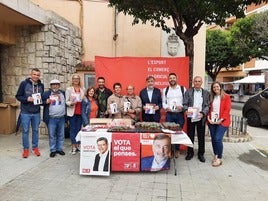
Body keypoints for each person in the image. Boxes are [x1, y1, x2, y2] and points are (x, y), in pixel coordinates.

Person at [15, 68, 44, 158]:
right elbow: (18, 96)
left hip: (36, 112)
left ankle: (35, 148)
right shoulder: (24, 84)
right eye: (34, 74)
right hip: (25, 112)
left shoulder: (41, 85)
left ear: (39, 76)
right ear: (31, 75)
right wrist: (27, 99)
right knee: (25, 131)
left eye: (38, 75)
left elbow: (41, 97)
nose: (36, 76)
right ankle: (26, 149)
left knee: (35, 131)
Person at [183, 76, 210, 162]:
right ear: (193, 82)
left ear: (201, 83)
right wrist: (186, 110)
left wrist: (203, 113)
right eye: (196, 81)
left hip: (201, 118)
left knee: (201, 136)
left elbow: (207, 106)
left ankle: (201, 154)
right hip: (191, 117)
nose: (197, 83)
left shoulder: (206, 93)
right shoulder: (188, 92)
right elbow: (184, 104)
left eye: (199, 81)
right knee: (190, 136)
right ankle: (190, 153)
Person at [207, 81, 231, 167]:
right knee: (213, 139)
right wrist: (208, 118)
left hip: (222, 121)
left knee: (217, 138)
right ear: (212, 89)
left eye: (217, 87)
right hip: (212, 121)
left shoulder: (226, 97)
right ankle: (216, 155)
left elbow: (227, 110)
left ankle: (219, 158)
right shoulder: (211, 97)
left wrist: (220, 120)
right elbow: (210, 109)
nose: (216, 88)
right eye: (214, 87)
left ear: (220, 87)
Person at [162, 73, 186, 157]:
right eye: (170, 78)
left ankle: (177, 150)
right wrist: (166, 107)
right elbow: (163, 102)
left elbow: (185, 102)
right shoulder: (166, 90)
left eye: (174, 78)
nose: (172, 79)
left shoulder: (182, 89)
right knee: (169, 132)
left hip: (179, 114)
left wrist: (182, 106)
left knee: (178, 132)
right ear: (168, 79)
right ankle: (170, 150)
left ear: (177, 78)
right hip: (170, 114)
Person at [42, 79, 66, 158]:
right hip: (51, 118)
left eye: (57, 84)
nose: (55, 86)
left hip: (61, 117)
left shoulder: (63, 93)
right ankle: (53, 150)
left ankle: (59, 149)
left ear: (59, 85)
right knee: (52, 135)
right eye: (53, 84)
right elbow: (40, 102)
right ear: (50, 86)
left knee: (61, 134)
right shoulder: (46, 94)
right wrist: (46, 101)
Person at [66, 74, 85, 155]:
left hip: (80, 112)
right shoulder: (69, 89)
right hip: (72, 112)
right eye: (74, 78)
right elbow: (66, 101)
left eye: (77, 78)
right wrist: (71, 103)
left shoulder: (83, 89)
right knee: (72, 130)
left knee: (79, 130)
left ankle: (78, 145)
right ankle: (73, 146)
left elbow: (84, 99)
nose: (76, 80)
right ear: (72, 80)